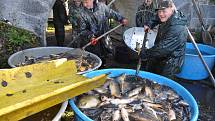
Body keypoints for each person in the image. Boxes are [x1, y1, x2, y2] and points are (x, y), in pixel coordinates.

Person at [140, 0, 188, 79]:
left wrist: (146, 53)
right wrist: (149, 24)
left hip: (172, 61)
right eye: (159, 11)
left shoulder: (177, 27)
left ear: (171, 9)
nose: (161, 14)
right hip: (161, 55)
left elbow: (163, 48)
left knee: (162, 83)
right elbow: (156, 18)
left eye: (164, 11)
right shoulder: (168, 16)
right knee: (151, 74)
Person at [77, 0, 128, 67]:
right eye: (83, 2)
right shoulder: (81, 13)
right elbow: (82, 30)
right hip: (92, 42)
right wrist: (90, 36)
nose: (84, 5)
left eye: (86, 2)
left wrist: (121, 19)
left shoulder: (101, 7)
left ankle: (103, 66)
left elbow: (111, 13)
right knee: (93, 59)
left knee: (104, 56)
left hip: (103, 37)